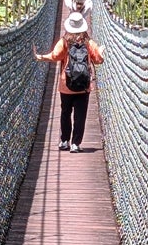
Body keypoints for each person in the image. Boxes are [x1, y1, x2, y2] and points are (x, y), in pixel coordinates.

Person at [34, 11, 104, 153]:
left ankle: (64, 141)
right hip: (84, 86)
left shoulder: (64, 42)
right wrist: (101, 52)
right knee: (80, 115)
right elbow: (98, 60)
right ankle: (75, 143)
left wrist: (40, 57)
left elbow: (54, 56)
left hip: (66, 85)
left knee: (66, 112)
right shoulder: (89, 43)